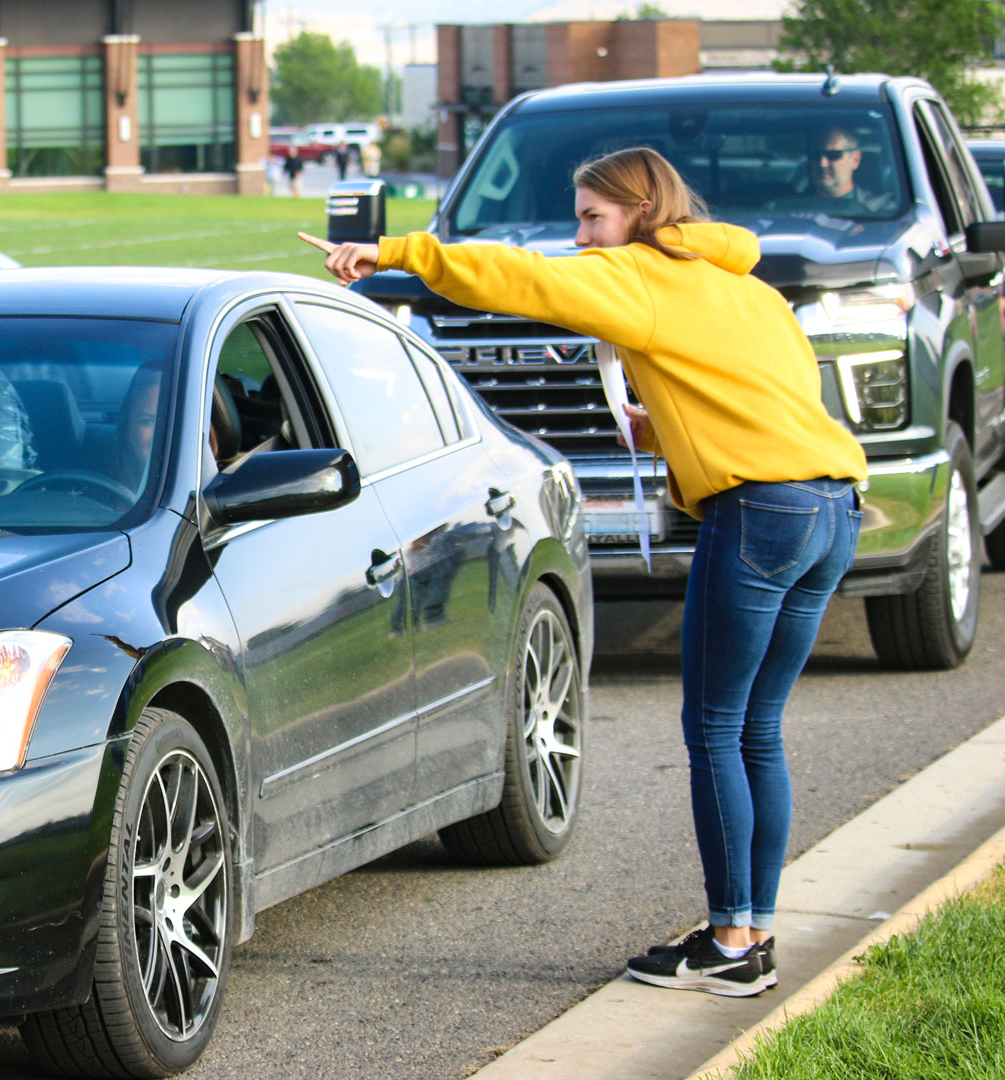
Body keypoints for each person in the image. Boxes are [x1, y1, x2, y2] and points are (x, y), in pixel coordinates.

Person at [301, 146, 868, 998]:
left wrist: (394, 253)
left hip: (759, 514)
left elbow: (521, 280)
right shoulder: (745, 285)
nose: (581, 236)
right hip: (831, 509)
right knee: (757, 730)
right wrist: (671, 430)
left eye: (593, 217)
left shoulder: (639, 274)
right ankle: (751, 931)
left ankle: (727, 944)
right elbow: (774, 395)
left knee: (714, 729)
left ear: (641, 210)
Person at [771, 126, 896, 216]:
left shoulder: (881, 211)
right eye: (815, 154)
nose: (822, 164)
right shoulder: (785, 212)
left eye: (833, 155)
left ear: (855, 159)